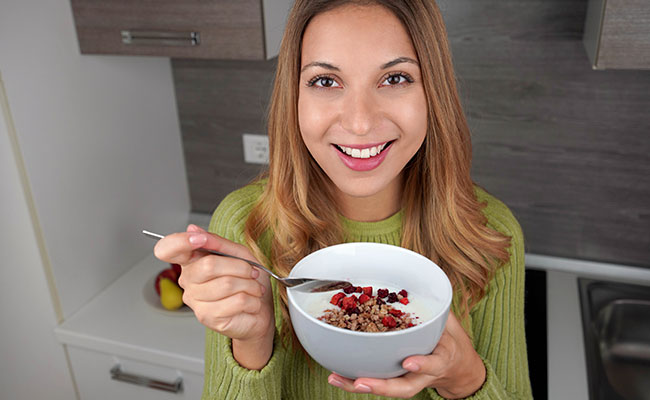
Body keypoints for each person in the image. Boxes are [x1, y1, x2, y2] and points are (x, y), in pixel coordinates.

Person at [154, 0, 533, 398]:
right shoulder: (244, 226)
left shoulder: (490, 234)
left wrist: (465, 380)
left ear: (433, 92)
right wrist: (253, 341)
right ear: (294, 98)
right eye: (325, 81)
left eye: (395, 78)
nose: (360, 122)